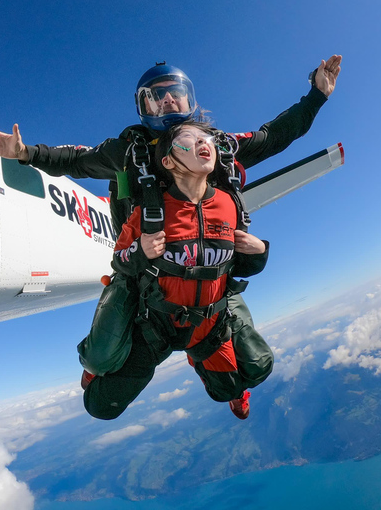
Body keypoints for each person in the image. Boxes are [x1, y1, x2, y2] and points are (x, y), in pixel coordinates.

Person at [0, 56, 341, 394]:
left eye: (175, 94)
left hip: (207, 266)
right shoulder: (128, 151)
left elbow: (275, 135)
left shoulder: (215, 147)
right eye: (157, 97)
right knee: (102, 361)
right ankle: (106, 358)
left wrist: (316, 95)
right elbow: (76, 160)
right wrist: (24, 154)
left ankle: (210, 360)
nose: (168, 102)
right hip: (142, 265)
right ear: (143, 107)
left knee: (252, 369)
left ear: (190, 101)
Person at [84, 121, 270, 420]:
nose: (202, 144)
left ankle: (208, 369)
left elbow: (237, 267)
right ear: (168, 161)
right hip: (155, 325)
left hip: (208, 327)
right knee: (101, 407)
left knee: (249, 375)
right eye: (189, 140)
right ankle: (103, 358)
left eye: (205, 139)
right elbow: (120, 262)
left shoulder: (229, 205)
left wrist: (260, 251)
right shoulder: (149, 211)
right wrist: (140, 251)